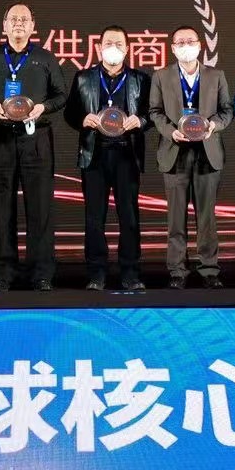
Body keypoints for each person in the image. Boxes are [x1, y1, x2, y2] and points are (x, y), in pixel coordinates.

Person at [0, 3, 70, 291]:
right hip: (0, 138)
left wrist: (42, 108)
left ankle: (41, 274)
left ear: (33, 26)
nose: (19, 23)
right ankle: (2, 273)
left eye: (24, 19)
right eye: (13, 19)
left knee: (40, 207)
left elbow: (61, 95)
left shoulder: (45, 58)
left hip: (36, 139)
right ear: (4, 25)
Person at [65, 26, 152, 290]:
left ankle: (130, 273)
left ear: (127, 48)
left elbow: (152, 114)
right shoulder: (83, 78)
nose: (113, 48)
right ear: (99, 47)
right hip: (95, 155)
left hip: (127, 154)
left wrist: (141, 121)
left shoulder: (140, 79)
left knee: (129, 217)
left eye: (119, 44)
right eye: (108, 43)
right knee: (94, 217)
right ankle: (96, 274)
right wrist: (83, 119)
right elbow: (70, 113)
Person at [149, 25, 233, 289]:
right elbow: (154, 112)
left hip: (207, 152)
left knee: (207, 217)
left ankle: (209, 269)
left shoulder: (216, 75)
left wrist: (213, 126)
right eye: (180, 42)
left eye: (190, 41)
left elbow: (226, 110)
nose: (186, 46)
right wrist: (170, 132)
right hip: (175, 152)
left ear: (199, 45)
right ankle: (177, 270)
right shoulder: (161, 76)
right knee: (176, 217)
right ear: (173, 48)